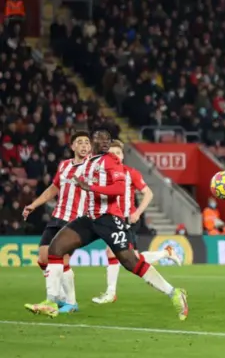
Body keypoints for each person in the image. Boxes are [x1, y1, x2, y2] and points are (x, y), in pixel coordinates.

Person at [24, 130, 188, 320]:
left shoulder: (110, 161)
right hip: (89, 218)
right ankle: (51, 301)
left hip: (109, 219)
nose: (104, 143)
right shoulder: (87, 161)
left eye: (107, 141)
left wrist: (90, 187)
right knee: (55, 249)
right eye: (100, 140)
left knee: (130, 262)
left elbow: (118, 189)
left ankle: (174, 292)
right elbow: (63, 183)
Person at [92, 139, 182, 305]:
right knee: (132, 258)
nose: (115, 156)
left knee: (113, 253)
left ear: (123, 155)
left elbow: (148, 193)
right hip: (112, 220)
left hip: (128, 220)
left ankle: (111, 292)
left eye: (118, 153)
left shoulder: (130, 173)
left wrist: (138, 212)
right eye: (112, 154)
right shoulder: (103, 175)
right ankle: (166, 253)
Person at [22, 131, 92, 313]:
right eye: (80, 142)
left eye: (87, 142)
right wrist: (33, 205)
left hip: (75, 221)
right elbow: (53, 188)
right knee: (43, 258)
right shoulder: (64, 165)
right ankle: (62, 298)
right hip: (57, 217)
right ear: (73, 146)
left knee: (61, 258)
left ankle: (63, 301)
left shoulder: (93, 167)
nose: (84, 145)